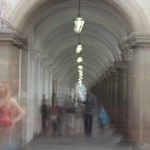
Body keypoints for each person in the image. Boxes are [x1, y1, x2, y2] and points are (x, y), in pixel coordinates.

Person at [0, 82, 25, 150]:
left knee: (2, 143)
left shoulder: (10, 100)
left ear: (5, 89)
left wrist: (14, 121)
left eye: (1, 87)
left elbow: (22, 112)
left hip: (6, 126)